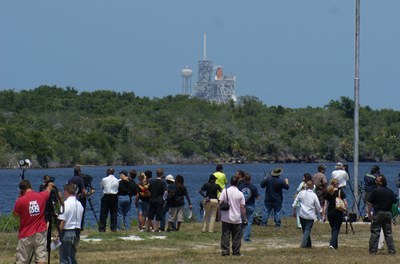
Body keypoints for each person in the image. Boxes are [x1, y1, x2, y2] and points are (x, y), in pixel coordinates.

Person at [13, 180, 54, 264]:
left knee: (22, 259)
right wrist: (49, 184)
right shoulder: (41, 196)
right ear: (30, 186)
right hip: (40, 232)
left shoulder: (20, 200)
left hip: (25, 234)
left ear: (22, 190)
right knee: (41, 258)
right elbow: (48, 190)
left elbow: (15, 215)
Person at [367, 174, 397, 254]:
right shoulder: (390, 191)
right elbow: (395, 201)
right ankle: (391, 250)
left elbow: (369, 203)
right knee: (388, 233)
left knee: (375, 232)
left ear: (381, 182)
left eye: (377, 180)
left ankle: (373, 250)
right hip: (388, 213)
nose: (375, 181)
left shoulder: (375, 191)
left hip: (378, 213)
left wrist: (369, 214)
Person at [219, 176, 248, 256]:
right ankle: (236, 252)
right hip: (236, 218)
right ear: (237, 183)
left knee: (225, 235)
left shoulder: (225, 191)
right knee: (236, 236)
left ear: (230, 182)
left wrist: (219, 214)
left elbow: (220, 202)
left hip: (226, 217)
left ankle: (225, 252)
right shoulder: (240, 194)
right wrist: (245, 218)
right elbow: (242, 207)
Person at [58, 183, 84, 264]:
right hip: (77, 232)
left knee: (65, 258)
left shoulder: (65, 204)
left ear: (66, 191)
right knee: (72, 256)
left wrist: (57, 234)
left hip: (67, 232)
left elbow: (63, 221)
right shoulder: (79, 204)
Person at [292, 181, 321, 248]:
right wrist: (319, 212)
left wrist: (293, 207)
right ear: (312, 187)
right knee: (307, 230)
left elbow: (296, 201)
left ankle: (308, 244)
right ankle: (304, 244)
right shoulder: (314, 195)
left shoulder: (301, 193)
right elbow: (318, 206)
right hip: (310, 215)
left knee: (305, 229)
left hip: (302, 214)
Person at [322, 178, 348, 250]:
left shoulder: (328, 192)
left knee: (333, 229)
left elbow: (325, 204)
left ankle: (335, 245)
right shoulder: (340, 192)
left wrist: (323, 214)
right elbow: (345, 203)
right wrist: (346, 211)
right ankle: (332, 244)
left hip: (330, 212)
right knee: (336, 229)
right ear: (337, 184)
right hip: (338, 212)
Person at [238, 173, 260, 242]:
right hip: (250, 205)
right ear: (250, 179)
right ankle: (246, 238)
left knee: (241, 221)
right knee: (249, 222)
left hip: (242, 206)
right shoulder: (253, 187)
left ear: (244, 179)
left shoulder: (240, 187)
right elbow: (257, 197)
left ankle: (239, 237)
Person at [98, 168, 119, 232]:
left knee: (103, 213)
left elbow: (101, 186)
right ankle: (113, 228)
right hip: (114, 196)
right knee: (114, 213)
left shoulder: (104, 179)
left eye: (107, 171)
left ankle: (102, 228)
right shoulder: (117, 180)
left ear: (109, 172)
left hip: (106, 196)